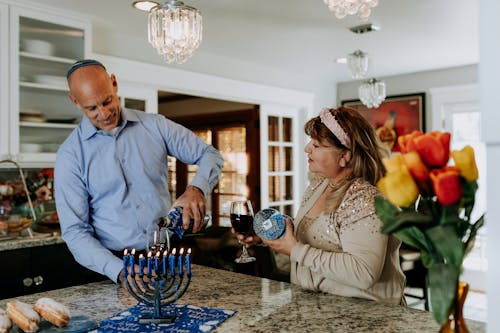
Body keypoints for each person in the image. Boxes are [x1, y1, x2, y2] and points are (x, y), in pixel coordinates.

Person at [54, 59, 224, 286]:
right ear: (75, 101)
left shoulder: (155, 126)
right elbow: (75, 231)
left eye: (107, 101)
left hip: (167, 256)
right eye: (92, 108)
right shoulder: (70, 155)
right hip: (113, 267)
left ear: (114, 84)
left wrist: (196, 189)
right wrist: (120, 271)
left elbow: (210, 154)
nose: (104, 114)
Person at [237, 106, 406, 305]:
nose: (307, 148)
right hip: (317, 307)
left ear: (345, 155)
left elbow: (364, 272)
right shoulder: (320, 183)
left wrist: (295, 250)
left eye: (317, 145)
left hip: (365, 316)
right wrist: (270, 235)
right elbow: (319, 235)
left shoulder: (365, 199)